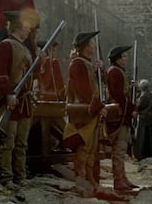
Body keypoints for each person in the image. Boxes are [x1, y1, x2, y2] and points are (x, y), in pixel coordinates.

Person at [0, 10, 40, 187]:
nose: (28, 30)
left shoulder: (26, 48)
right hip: (10, 100)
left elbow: (32, 73)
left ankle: (20, 176)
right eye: (26, 27)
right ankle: (6, 176)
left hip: (24, 101)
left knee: (21, 142)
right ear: (18, 27)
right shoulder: (5, 46)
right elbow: (0, 75)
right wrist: (10, 94)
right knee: (8, 141)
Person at [61, 31, 105, 195]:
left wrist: (99, 70)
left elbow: (97, 84)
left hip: (91, 110)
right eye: (91, 44)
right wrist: (99, 107)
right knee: (84, 147)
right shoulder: (78, 64)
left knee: (92, 147)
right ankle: (81, 175)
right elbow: (84, 90)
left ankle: (89, 176)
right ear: (86, 46)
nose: (93, 46)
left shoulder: (86, 63)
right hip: (84, 110)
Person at [105, 45, 138, 192]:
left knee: (122, 148)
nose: (126, 59)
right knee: (118, 150)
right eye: (123, 56)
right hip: (118, 115)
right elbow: (118, 95)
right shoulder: (114, 72)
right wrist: (130, 109)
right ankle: (118, 180)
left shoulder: (119, 72)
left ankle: (122, 177)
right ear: (117, 59)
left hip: (122, 114)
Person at [133, 79, 152, 160]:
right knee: (151, 139)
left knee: (143, 138)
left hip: (144, 119)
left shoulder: (143, 96)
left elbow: (138, 107)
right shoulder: (151, 95)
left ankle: (142, 154)